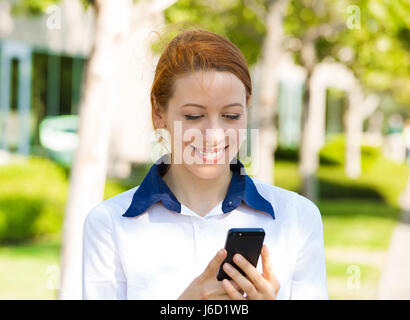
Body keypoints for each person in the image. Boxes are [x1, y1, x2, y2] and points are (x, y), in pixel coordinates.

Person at [82, 27, 328, 300]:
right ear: (158, 114)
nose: (213, 134)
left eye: (231, 116)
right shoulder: (109, 225)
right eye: (194, 116)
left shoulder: (298, 218)